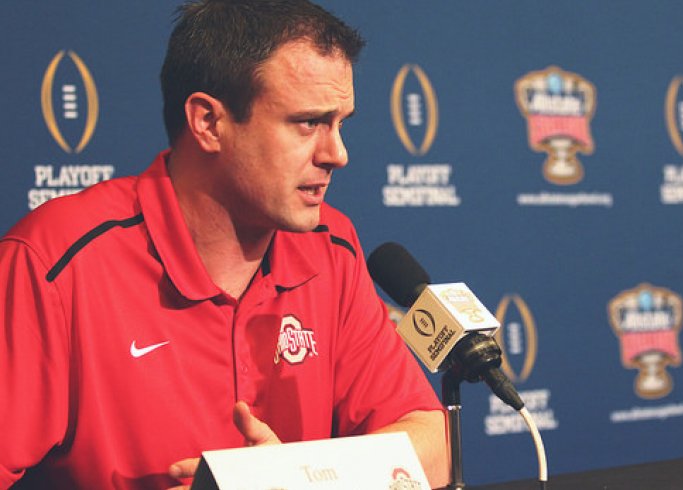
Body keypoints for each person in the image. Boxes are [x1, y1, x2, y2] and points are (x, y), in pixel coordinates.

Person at [0, 1, 450, 488]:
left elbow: (432, 445)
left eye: (341, 123)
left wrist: (293, 479)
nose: (337, 154)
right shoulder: (53, 261)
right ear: (208, 123)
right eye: (307, 123)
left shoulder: (330, 247)